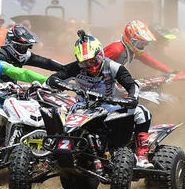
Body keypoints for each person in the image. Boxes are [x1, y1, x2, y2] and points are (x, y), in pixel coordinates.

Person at [47, 31, 152, 167]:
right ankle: (50, 155)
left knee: (142, 112)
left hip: (108, 106)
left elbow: (131, 85)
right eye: (85, 63)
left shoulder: (113, 67)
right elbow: (53, 79)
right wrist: (64, 86)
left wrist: (132, 98)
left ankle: (142, 155)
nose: (91, 67)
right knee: (54, 112)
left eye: (94, 61)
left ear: (100, 54)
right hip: (81, 106)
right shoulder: (75, 67)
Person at [102, 20, 177, 75]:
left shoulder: (130, 50)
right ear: (130, 38)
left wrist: (168, 70)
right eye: (141, 43)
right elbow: (96, 67)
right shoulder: (117, 49)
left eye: (145, 43)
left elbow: (148, 60)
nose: (143, 46)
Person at [0, 25, 64, 72]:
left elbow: (46, 62)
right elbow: (20, 73)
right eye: (21, 47)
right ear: (10, 43)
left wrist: (66, 69)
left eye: (26, 47)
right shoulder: (0, 55)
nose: (24, 50)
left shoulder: (25, 55)